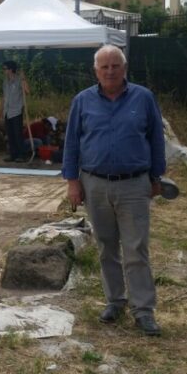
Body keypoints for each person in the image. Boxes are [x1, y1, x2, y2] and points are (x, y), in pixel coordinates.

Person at [62, 45, 166, 337]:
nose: (110, 71)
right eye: (104, 67)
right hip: (94, 183)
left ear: (125, 68)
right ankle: (114, 301)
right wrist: (72, 181)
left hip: (134, 184)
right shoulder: (82, 101)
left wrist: (156, 177)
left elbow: (156, 139)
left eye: (115, 66)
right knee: (107, 247)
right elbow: (71, 144)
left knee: (136, 249)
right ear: (95, 71)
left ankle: (143, 311)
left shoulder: (143, 98)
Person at [1, 61, 28, 162]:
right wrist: (1, 110)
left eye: (5, 69)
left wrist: (23, 78)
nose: (4, 71)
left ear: (10, 69)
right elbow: (4, 97)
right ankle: (13, 155)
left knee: (18, 134)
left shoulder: (19, 80)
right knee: (10, 134)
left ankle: (21, 155)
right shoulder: (5, 81)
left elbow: (27, 91)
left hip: (16, 111)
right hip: (7, 112)